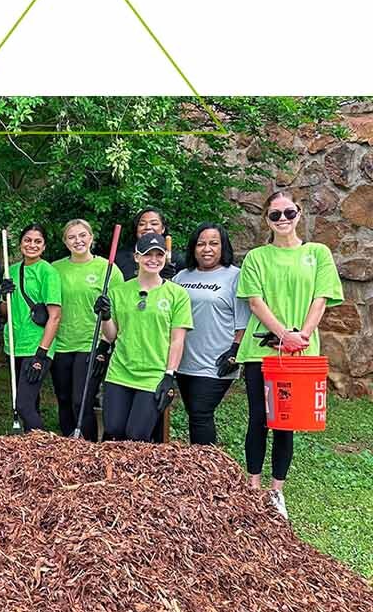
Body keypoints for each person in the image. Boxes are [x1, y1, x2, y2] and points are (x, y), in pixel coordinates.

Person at [235, 189, 344, 519]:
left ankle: (276, 492)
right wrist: (284, 335)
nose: (282, 219)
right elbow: (255, 301)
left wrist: (302, 336)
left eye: (288, 213)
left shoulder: (318, 253)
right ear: (266, 219)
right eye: (275, 214)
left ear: (299, 213)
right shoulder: (257, 257)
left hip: (301, 354)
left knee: (286, 423)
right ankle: (253, 488)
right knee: (258, 419)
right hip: (262, 351)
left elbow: (321, 298)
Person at [99, 234, 193, 442]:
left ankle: (137, 474)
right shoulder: (119, 292)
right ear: (136, 257)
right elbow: (111, 335)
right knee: (113, 430)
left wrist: (169, 375)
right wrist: (105, 316)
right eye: (147, 254)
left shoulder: (177, 294)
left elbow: (177, 340)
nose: (153, 259)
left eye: (159, 254)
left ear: (165, 257)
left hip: (154, 374)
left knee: (136, 435)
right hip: (120, 371)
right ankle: (114, 473)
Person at [173, 223, 250, 446]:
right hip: (183, 359)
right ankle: (198, 465)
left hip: (217, 360)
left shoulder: (235, 277)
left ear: (223, 247)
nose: (207, 249)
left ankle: (206, 467)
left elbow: (243, 319)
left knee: (200, 413)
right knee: (193, 412)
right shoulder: (181, 277)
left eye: (214, 243)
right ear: (193, 248)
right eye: (201, 244)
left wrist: (235, 351)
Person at [51, 217, 114, 440]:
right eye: (71, 237)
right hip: (60, 344)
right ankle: (68, 447)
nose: (78, 241)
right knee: (64, 398)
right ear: (65, 242)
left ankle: (87, 448)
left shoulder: (107, 269)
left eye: (82, 235)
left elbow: (118, 312)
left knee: (82, 400)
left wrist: (105, 347)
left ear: (91, 238)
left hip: (90, 343)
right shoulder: (55, 269)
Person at [8, 224, 62, 434]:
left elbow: (55, 316)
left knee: (23, 404)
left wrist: (41, 353)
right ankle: (31, 452)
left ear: (44, 246)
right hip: (15, 343)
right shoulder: (12, 271)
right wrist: (5, 295)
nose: (32, 245)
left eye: (37, 241)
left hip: (37, 345)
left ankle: (45, 448)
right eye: (27, 240)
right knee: (31, 402)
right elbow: (7, 310)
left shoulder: (48, 272)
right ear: (20, 243)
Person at [115, 208, 183, 278]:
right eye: (142, 224)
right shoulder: (121, 257)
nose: (147, 227)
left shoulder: (177, 259)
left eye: (154, 224)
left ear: (163, 229)